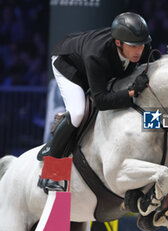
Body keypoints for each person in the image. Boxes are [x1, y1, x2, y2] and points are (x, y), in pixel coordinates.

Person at [37, 12, 153, 192]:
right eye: (133, 46)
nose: (139, 51)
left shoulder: (139, 48)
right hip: (69, 66)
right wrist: (131, 92)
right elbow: (102, 101)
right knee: (78, 113)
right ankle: (50, 171)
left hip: (96, 68)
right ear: (118, 42)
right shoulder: (96, 54)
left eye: (141, 45)